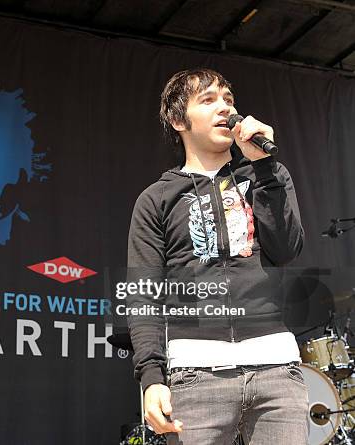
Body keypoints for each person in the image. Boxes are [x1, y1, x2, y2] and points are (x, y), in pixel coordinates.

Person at [126, 68, 308, 445]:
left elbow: (288, 248)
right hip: (195, 373)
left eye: (228, 99)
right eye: (208, 100)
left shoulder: (267, 174)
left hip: (276, 368)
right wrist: (151, 379)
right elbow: (143, 293)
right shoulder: (156, 199)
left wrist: (262, 166)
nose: (224, 107)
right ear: (179, 120)